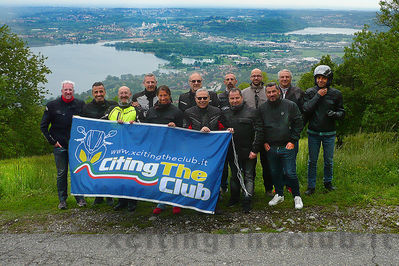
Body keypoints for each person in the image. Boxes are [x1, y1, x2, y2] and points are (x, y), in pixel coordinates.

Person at [40, 80, 87, 210]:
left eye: (70, 90)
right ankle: (62, 200)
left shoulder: (80, 104)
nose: (68, 92)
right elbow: (43, 126)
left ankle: (80, 198)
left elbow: (87, 123)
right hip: (59, 146)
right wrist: (53, 142)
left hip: (76, 146)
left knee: (77, 172)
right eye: (65, 90)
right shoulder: (52, 105)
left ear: (73, 91)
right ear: (61, 91)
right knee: (62, 173)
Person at [257, 82, 304, 209]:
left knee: (290, 173)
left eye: (273, 91)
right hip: (271, 147)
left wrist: (293, 141)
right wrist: (264, 142)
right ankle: (279, 194)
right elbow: (260, 127)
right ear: (266, 94)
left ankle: (297, 196)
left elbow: (298, 123)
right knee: (275, 172)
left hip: (287, 146)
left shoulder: (290, 105)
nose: (271, 94)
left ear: (279, 92)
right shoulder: (262, 108)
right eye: (269, 92)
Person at [303, 65, 345, 195]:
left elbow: (342, 112)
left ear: (329, 79)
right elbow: (306, 109)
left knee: (328, 161)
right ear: (315, 79)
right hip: (313, 133)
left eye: (323, 78)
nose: (321, 81)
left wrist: (335, 114)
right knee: (312, 161)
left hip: (329, 133)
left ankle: (328, 183)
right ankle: (311, 186)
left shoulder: (336, 94)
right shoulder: (310, 92)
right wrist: (318, 96)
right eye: (318, 78)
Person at [223, 88, 263, 213]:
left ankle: (247, 200)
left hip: (249, 151)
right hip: (232, 152)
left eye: (236, 98)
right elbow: (220, 130)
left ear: (242, 98)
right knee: (234, 176)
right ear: (229, 99)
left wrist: (255, 150)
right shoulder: (224, 113)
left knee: (248, 176)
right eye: (232, 98)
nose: (234, 101)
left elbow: (259, 131)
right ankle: (234, 198)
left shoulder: (252, 112)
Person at [145, 85, 184, 215]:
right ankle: (161, 203)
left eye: (165, 95)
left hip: (173, 148)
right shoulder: (151, 111)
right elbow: (147, 129)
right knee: (160, 175)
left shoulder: (176, 112)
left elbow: (182, 132)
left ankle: (175, 202)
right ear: (157, 96)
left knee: (173, 175)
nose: (163, 98)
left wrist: (175, 126)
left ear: (169, 95)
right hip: (157, 148)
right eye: (160, 95)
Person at [81, 81, 117, 206]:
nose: (99, 94)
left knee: (108, 170)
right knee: (95, 170)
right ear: (92, 93)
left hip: (109, 143)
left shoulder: (113, 105)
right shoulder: (86, 108)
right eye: (96, 92)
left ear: (105, 92)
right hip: (93, 144)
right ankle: (98, 196)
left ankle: (109, 195)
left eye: (101, 91)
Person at [104, 86, 139, 212]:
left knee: (131, 174)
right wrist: (113, 124)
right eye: (121, 93)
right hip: (115, 146)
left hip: (131, 147)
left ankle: (132, 201)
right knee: (118, 174)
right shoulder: (112, 109)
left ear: (130, 95)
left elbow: (144, 125)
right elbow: (101, 124)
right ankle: (121, 201)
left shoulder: (136, 109)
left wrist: (135, 125)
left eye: (126, 93)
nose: (124, 95)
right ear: (118, 95)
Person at [241, 68, 273, 197]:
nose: (256, 78)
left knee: (267, 164)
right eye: (253, 76)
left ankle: (269, 189)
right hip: (249, 133)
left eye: (258, 76)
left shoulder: (268, 92)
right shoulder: (243, 93)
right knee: (249, 166)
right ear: (250, 77)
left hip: (266, 132)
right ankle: (249, 190)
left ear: (262, 77)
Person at [218, 73, 238, 195]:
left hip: (238, 136)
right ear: (224, 82)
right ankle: (223, 187)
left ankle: (236, 188)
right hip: (223, 135)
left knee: (235, 164)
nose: (230, 81)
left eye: (232, 79)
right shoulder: (220, 97)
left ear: (235, 81)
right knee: (223, 165)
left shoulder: (240, 95)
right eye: (227, 80)